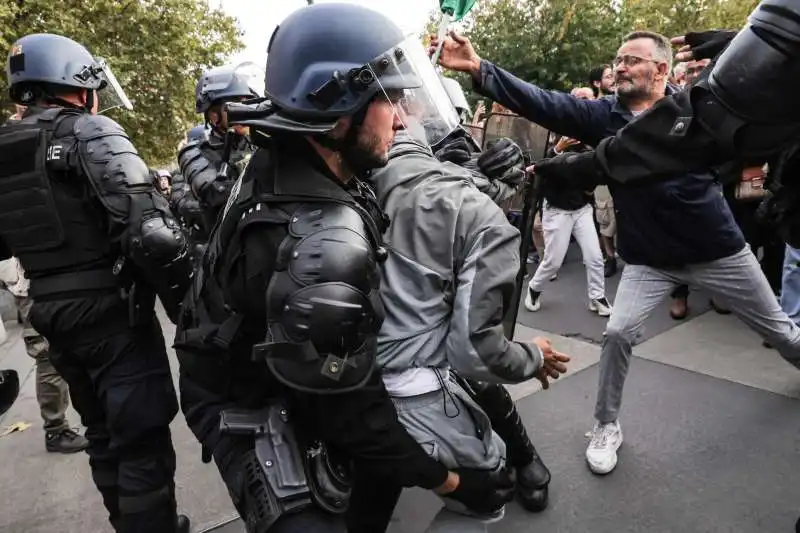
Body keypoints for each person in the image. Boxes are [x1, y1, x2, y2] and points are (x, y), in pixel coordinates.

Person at [174, 4, 515, 533]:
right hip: (240, 394)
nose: (401, 119)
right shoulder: (324, 242)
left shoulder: (292, 156)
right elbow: (356, 417)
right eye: (391, 100)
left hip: (266, 358)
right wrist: (449, 480)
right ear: (340, 112)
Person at [445, 4, 800, 475]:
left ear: (661, 69)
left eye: (631, 59)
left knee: (779, 330)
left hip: (717, 251)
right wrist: (480, 68)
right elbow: (546, 102)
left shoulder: (699, 106)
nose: (619, 66)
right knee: (616, 334)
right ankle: (606, 424)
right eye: (617, 60)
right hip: (649, 259)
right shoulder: (602, 115)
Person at [0, 33, 192, 532]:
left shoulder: (6, 148)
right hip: (112, 314)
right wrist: (188, 312)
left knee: (104, 437)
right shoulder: (90, 131)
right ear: (77, 81)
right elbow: (154, 234)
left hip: (51, 314)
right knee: (141, 441)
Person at [0, 256, 88, 453]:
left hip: (45, 283)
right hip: (31, 287)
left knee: (64, 351)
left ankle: (60, 427)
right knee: (47, 357)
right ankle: (55, 430)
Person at [177, 63, 260, 235]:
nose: (244, 110)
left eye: (247, 103)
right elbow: (216, 193)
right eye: (235, 105)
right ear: (214, 115)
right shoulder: (193, 152)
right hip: (224, 246)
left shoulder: (257, 143)